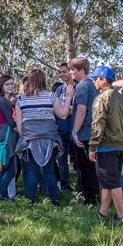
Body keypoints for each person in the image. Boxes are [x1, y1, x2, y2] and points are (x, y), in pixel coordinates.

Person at [15, 69, 72, 205]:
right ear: (43, 80)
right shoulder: (51, 96)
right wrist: (69, 96)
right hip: (50, 138)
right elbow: (63, 114)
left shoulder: (21, 99)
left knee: (32, 171)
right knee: (49, 170)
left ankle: (31, 200)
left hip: (30, 138)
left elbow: (19, 124)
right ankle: (54, 199)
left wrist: (25, 138)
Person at [87, 66, 123, 220]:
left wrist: (93, 146)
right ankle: (103, 212)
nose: (94, 82)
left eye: (96, 79)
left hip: (106, 145)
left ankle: (121, 216)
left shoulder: (102, 98)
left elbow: (98, 123)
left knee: (112, 182)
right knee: (107, 181)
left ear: (103, 80)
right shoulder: (120, 98)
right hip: (119, 144)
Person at [69, 57, 100, 205]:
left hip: (83, 133)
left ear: (81, 70)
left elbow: (81, 110)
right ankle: (95, 195)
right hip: (91, 131)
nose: (71, 73)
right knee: (91, 167)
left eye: (73, 70)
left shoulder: (81, 86)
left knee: (85, 168)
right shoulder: (92, 85)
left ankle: (90, 199)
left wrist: (75, 131)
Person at [0, 74, 18, 200]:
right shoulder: (2, 100)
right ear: (2, 86)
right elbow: (10, 121)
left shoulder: (5, 100)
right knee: (11, 169)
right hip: (6, 135)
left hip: (5, 134)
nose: (10, 86)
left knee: (5, 167)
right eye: (7, 84)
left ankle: (3, 195)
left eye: (12, 84)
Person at [53, 63, 76, 192]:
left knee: (77, 160)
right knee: (62, 160)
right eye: (60, 72)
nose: (62, 74)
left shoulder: (78, 88)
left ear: (70, 72)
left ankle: (82, 186)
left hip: (74, 129)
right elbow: (56, 110)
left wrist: (64, 109)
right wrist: (66, 109)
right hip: (61, 129)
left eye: (64, 71)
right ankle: (65, 186)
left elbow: (78, 110)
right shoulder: (59, 90)